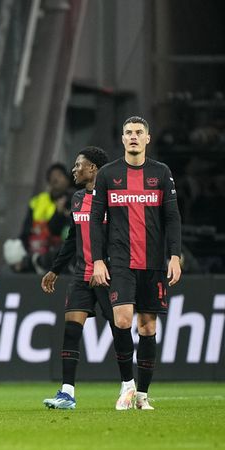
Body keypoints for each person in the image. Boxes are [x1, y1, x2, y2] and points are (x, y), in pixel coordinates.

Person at [90, 116, 182, 410]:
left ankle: (142, 394)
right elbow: (95, 220)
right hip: (119, 260)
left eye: (138, 132)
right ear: (122, 139)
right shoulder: (107, 174)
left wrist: (175, 256)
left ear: (147, 139)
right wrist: (97, 260)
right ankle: (127, 384)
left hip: (153, 261)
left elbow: (172, 217)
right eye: (128, 132)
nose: (133, 136)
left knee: (147, 325)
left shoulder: (161, 172)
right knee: (122, 319)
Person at [41, 146, 115, 409]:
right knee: (71, 331)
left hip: (109, 275)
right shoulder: (76, 199)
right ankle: (67, 393)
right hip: (81, 275)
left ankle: (132, 388)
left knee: (120, 330)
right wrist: (55, 269)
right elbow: (73, 239)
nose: (74, 170)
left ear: (93, 168)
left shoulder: (113, 199)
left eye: (78, 165)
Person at [17, 163, 73, 273]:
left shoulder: (75, 200)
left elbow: (58, 231)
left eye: (59, 175)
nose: (55, 178)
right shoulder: (37, 201)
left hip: (58, 254)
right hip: (35, 249)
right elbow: (26, 230)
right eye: (52, 176)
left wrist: (60, 214)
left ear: (67, 180)